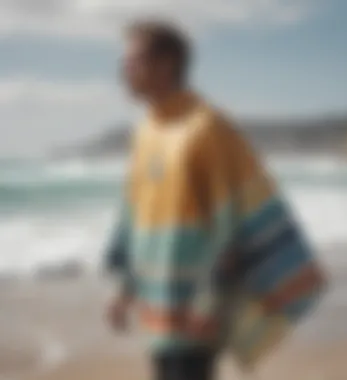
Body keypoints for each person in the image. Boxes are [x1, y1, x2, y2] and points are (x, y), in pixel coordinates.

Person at [104, 20, 325, 380]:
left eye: (133, 62)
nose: (123, 73)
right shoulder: (145, 131)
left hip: (194, 312)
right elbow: (134, 218)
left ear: (167, 63)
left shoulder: (207, 128)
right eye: (124, 63)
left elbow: (230, 226)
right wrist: (123, 291)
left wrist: (208, 304)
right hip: (157, 312)